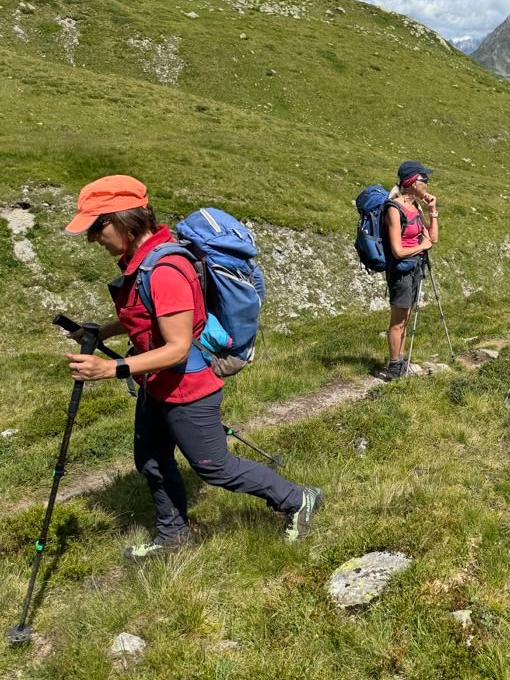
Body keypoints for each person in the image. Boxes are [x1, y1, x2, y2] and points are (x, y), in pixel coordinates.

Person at [62, 175, 322, 560]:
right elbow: (149, 316)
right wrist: (101, 330)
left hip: (187, 388)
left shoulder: (164, 269)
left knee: (215, 468)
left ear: (126, 219)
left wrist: (109, 369)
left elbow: (178, 348)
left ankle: (297, 499)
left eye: (98, 226)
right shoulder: (143, 261)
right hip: (156, 385)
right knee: (150, 459)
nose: (93, 238)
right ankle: (173, 536)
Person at [383, 160, 439, 380]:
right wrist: (421, 247)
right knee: (398, 320)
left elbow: (432, 238)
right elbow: (397, 250)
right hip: (401, 270)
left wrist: (432, 211)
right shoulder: (394, 209)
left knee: (406, 316)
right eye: (424, 179)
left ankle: (401, 359)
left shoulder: (415, 206)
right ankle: (394, 367)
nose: (427, 182)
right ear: (412, 182)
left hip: (414, 267)